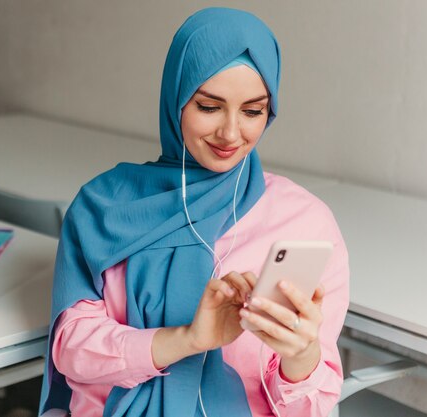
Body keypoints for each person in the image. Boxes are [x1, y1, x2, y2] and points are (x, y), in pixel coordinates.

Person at [40, 7, 349, 417]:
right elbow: (72, 349)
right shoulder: (104, 207)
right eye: (209, 106)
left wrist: (301, 356)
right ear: (176, 99)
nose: (231, 133)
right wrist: (187, 339)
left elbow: (310, 409)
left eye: (253, 111)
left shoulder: (305, 222)